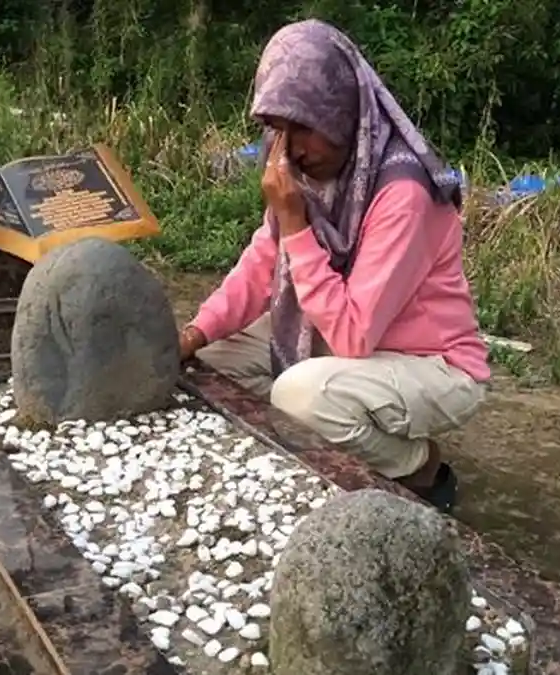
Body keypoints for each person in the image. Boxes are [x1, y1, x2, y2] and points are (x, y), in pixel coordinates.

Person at [178, 19, 489, 513]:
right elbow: (263, 262)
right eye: (278, 128)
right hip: (346, 338)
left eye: (304, 126)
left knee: (301, 396)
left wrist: (295, 224)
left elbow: (352, 335)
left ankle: (418, 466)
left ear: (340, 110)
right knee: (214, 364)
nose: (292, 147)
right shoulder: (314, 169)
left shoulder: (403, 191)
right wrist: (194, 333)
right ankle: (317, 452)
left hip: (429, 362)